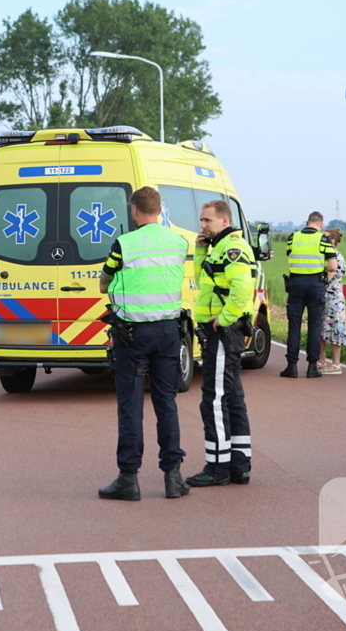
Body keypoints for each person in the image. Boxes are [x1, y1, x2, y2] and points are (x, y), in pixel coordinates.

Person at [97, 186, 190, 501]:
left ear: (134, 210)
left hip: (132, 335)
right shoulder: (178, 242)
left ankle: (128, 478)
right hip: (168, 332)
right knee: (166, 402)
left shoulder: (124, 244)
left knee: (130, 406)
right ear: (160, 210)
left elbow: (104, 281)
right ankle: (173, 477)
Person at [186, 200, 254, 487]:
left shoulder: (233, 249)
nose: (202, 225)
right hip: (221, 331)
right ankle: (239, 464)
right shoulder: (219, 248)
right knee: (233, 397)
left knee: (213, 399)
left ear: (224, 221)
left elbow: (241, 290)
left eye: (207, 221)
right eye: (201, 220)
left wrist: (224, 320)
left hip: (224, 333)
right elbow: (205, 282)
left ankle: (218, 467)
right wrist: (201, 250)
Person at [281, 212, 337, 379]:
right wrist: (321, 269)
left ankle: (292, 367)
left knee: (294, 326)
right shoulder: (323, 239)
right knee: (314, 327)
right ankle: (312, 367)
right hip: (315, 285)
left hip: (296, 284)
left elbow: (290, 255)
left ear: (307, 222)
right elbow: (333, 266)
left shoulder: (293, 237)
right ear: (320, 225)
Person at [319, 228, 346, 374]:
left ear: (333, 241)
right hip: (322, 297)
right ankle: (321, 360)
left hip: (333, 299)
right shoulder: (322, 256)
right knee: (321, 329)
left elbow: (328, 277)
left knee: (335, 329)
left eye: (326, 239)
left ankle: (336, 364)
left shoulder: (337, 258)